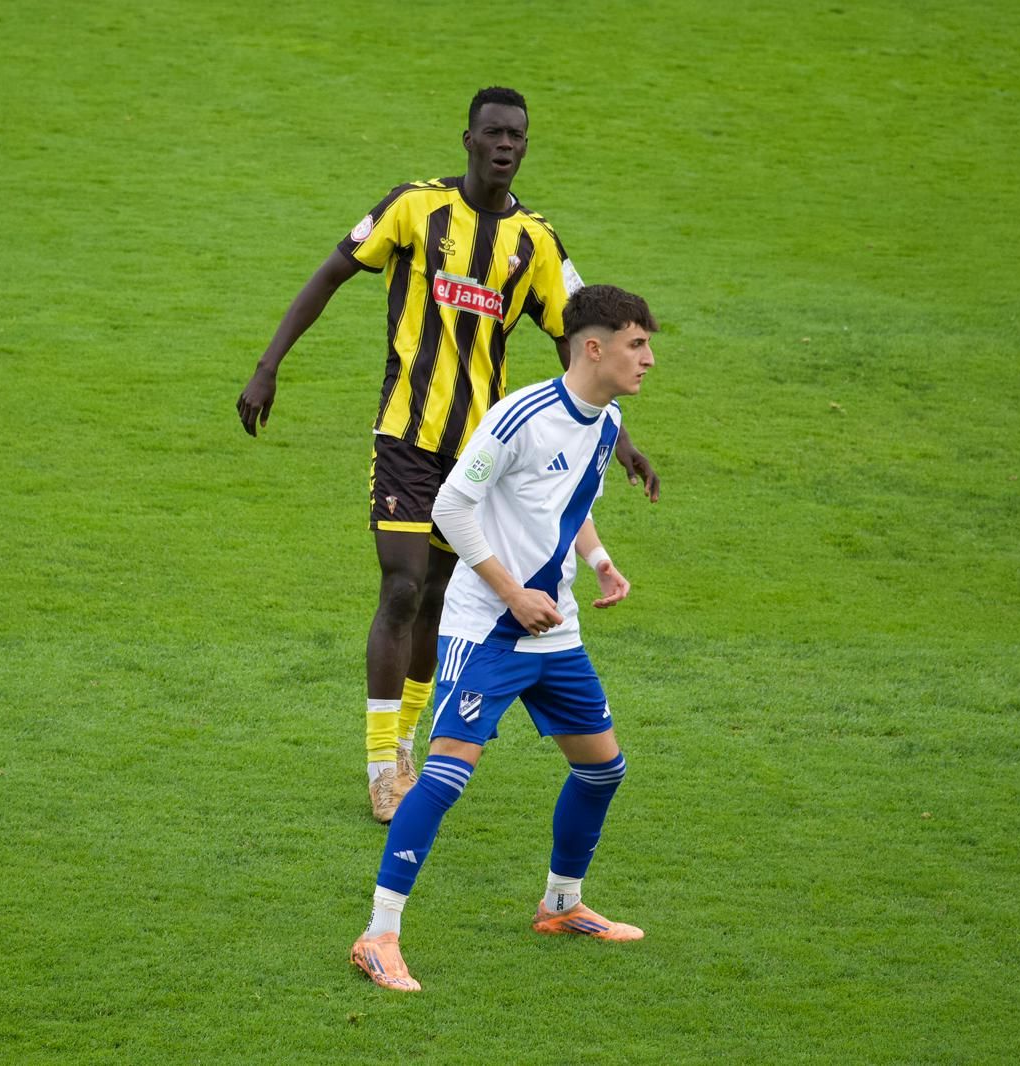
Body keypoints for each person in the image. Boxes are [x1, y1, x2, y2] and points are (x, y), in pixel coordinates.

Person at [237, 88, 659, 823]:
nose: (505, 145)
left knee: (434, 596)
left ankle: (403, 745)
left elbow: (584, 338)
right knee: (400, 589)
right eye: (493, 133)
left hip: (478, 453)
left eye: (517, 136)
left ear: (524, 147)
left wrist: (616, 434)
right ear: (467, 138)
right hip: (404, 436)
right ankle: (379, 764)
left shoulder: (535, 241)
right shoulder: (414, 208)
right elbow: (332, 273)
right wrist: (270, 364)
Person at [349, 284, 658, 992]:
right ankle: (378, 935)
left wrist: (601, 563)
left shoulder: (604, 423)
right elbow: (452, 504)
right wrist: (512, 593)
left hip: (553, 630)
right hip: (488, 626)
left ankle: (560, 905)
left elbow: (567, 505)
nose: (647, 360)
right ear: (594, 347)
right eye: (636, 344)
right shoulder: (522, 416)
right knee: (448, 775)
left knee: (602, 769)